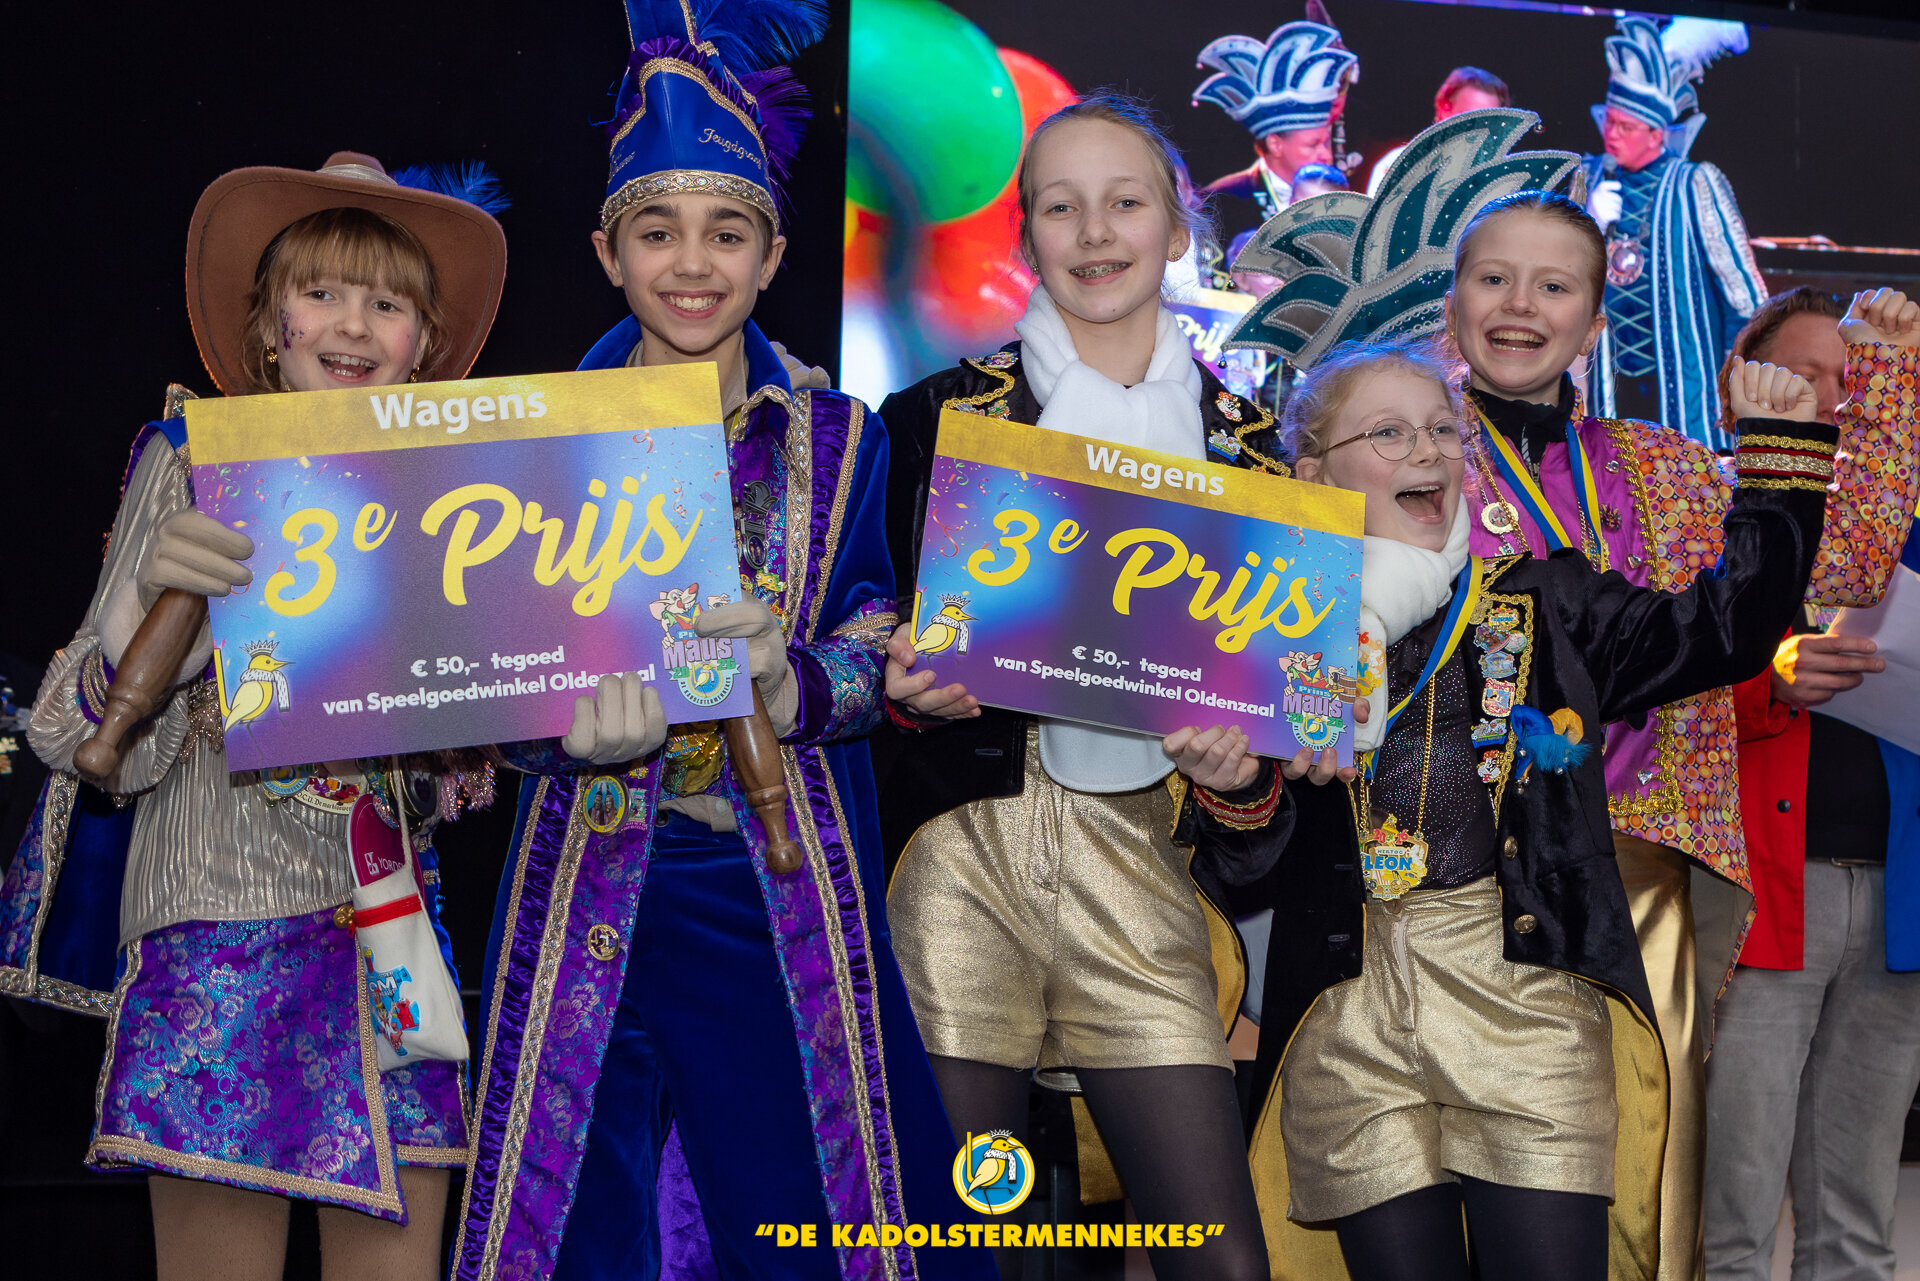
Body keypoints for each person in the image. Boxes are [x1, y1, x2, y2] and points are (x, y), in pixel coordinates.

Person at [1224, 107, 1920, 1281]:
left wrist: (1885, 381)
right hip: (1429, 880)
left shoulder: (1660, 466)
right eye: (1493, 278)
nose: (1519, 304)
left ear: (1596, 323)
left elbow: (1840, 567)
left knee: (1632, 1203)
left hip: (1638, 874)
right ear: (1452, 305)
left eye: (1555, 287)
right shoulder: (1400, 451)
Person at [451, 4, 995, 1279]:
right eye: (657, 231)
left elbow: (873, 642)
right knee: (577, 1214)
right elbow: (476, 680)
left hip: (769, 872)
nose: (691, 263)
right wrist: (553, 734)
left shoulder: (842, 438)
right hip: (588, 871)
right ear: (607, 252)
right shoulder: (530, 437)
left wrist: (791, 681)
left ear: (771, 256)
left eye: (726, 233)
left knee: (803, 1211)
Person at [1204, 332, 1830, 1281]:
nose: (1426, 450)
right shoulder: (1264, 631)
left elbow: (1725, 627)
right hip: (1347, 1015)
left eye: (1441, 430)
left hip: (1526, 1002)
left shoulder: (1547, 602)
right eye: (1387, 433)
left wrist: (1779, 464)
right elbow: (1242, 862)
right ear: (1312, 472)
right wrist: (1234, 783)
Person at [13, 153, 506, 1279]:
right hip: (217, 933)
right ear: (268, 325)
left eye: (387, 302)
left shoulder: (455, 495)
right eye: (321, 292)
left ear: (424, 344)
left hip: (393, 945)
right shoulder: (192, 460)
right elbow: (75, 744)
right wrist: (146, 625)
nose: (353, 323)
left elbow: (458, 771)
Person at [873, 92, 1311, 1281]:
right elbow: (859, 643)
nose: (1096, 231)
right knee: (958, 1254)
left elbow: (1282, 759)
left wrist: (1240, 776)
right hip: (961, 867)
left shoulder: (1256, 455)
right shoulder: (929, 422)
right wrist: (898, 682)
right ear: (1026, 236)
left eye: (1126, 202)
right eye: (1061, 207)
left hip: (1143, 872)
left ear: (1178, 227)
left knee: (1221, 1260)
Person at [1704, 287, 1920, 1281]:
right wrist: (1768, 675)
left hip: (1899, 902)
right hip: (1756, 899)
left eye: (1857, 376)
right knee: (1731, 1220)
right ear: (1737, 386)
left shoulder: (1903, 530)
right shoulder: (1700, 515)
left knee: (1857, 1224)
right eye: (1806, 375)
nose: (1835, 399)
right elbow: (1637, 704)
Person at [1581, 17, 1767, 443]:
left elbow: (1743, 293)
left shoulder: (1695, 182)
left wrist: (1739, 383)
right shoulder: (1587, 180)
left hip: (1686, 393)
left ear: (1656, 133)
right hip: (1607, 387)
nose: (1612, 135)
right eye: (1609, 122)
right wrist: (1586, 221)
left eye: (1626, 127)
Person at [1193, 20, 1359, 224]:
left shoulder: (1338, 193)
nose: (1326, 155)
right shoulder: (1222, 202)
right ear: (1275, 144)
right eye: (1313, 145)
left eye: (1325, 143)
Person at [1366, 66, 1510, 197]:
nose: (1480, 129)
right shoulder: (1399, 164)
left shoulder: (1505, 175)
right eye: (1470, 118)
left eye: (1490, 120)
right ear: (1444, 110)